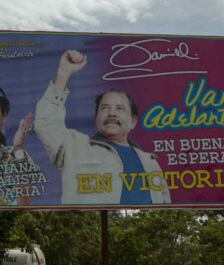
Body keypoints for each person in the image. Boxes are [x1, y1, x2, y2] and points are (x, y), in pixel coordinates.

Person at [34, 49, 171, 205]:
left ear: (133, 121)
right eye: (105, 108)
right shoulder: (74, 146)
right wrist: (64, 73)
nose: (112, 113)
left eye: (120, 109)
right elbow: (45, 124)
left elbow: (164, 204)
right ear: (96, 118)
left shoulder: (151, 162)